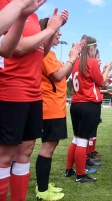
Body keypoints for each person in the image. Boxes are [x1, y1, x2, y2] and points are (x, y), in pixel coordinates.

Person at [0, 2, 67, 200]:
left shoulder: (34, 16)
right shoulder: (7, 5)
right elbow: (18, 48)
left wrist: (50, 31)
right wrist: (51, 30)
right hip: (11, 90)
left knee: (26, 151)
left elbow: (40, 52)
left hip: (34, 93)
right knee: (5, 156)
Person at [35, 17, 84, 200]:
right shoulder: (45, 54)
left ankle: (43, 185)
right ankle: (42, 191)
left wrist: (73, 56)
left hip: (56, 106)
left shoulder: (51, 54)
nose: (60, 34)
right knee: (47, 147)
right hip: (49, 107)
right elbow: (57, 76)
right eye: (57, 31)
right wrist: (72, 58)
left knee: (51, 145)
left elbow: (64, 74)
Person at [65, 35, 112, 183]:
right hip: (89, 105)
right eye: (95, 49)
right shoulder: (91, 62)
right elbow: (102, 82)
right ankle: (80, 175)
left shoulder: (75, 62)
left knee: (76, 139)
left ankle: (68, 169)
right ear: (91, 48)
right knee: (83, 141)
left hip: (76, 104)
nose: (95, 51)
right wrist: (107, 69)